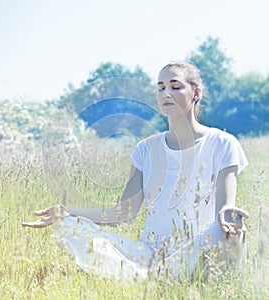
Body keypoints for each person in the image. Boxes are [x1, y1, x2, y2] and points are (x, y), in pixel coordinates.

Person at [22, 61, 249, 281]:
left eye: (175, 86)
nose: (165, 93)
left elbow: (225, 207)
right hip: (148, 254)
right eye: (160, 88)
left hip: (196, 249)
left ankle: (144, 278)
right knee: (70, 226)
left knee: (226, 230)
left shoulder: (223, 143)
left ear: (196, 93)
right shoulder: (145, 149)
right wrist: (66, 211)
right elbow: (124, 213)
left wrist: (229, 216)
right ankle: (153, 277)